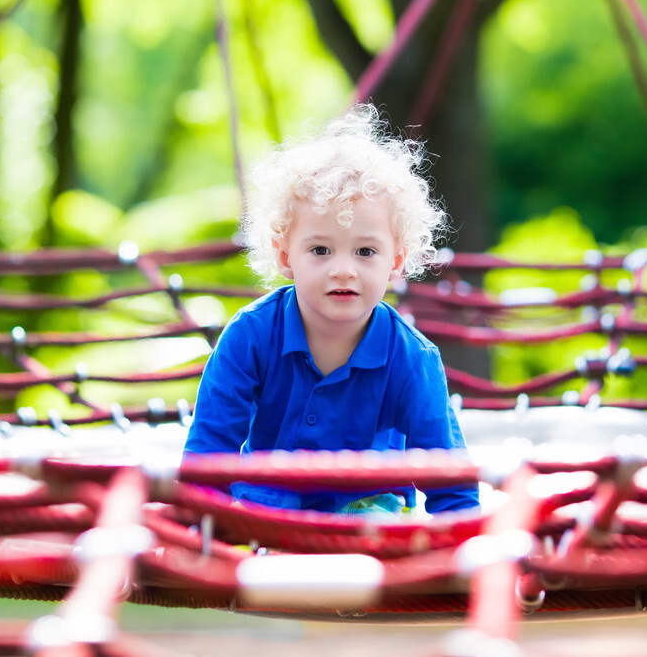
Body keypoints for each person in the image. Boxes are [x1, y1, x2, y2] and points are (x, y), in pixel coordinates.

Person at [182, 104, 479, 516]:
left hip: (368, 509)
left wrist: (461, 551)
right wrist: (201, 533)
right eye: (320, 250)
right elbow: (207, 457)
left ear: (396, 261)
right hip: (266, 505)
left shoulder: (412, 358)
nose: (343, 270)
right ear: (285, 255)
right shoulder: (249, 336)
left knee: (373, 524)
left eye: (365, 251)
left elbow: (449, 476)